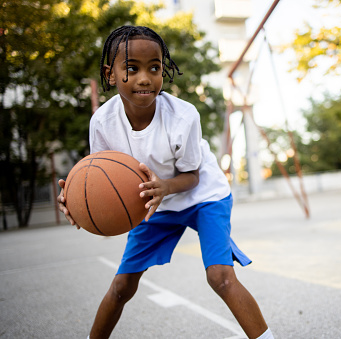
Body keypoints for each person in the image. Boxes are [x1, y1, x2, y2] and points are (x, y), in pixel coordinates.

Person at [57, 25, 273, 339]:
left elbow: (193, 176)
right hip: (152, 203)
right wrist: (76, 202)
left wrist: (165, 187)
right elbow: (98, 181)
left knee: (220, 276)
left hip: (202, 195)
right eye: (132, 68)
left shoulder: (183, 116)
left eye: (155, 68)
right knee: (121, 286)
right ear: (111, 73)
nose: (145, 78)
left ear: (164, 70)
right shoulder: (102, 122)